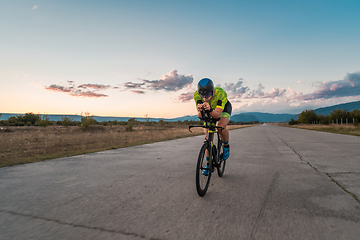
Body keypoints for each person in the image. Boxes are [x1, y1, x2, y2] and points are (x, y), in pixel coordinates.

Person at [194, 78, 232, 176]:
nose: (205, 98)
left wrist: (210, 109)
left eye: (207, 95)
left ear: (212, 91)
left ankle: (226, 146)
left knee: (220, 127)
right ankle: (208, 164)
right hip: (209, 108)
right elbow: (200, 116)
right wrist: (200, 111)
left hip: (223, 109)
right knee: (208, 136)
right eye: (202, 96)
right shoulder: (196, 95)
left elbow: (217, 116)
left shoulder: (220, 93)